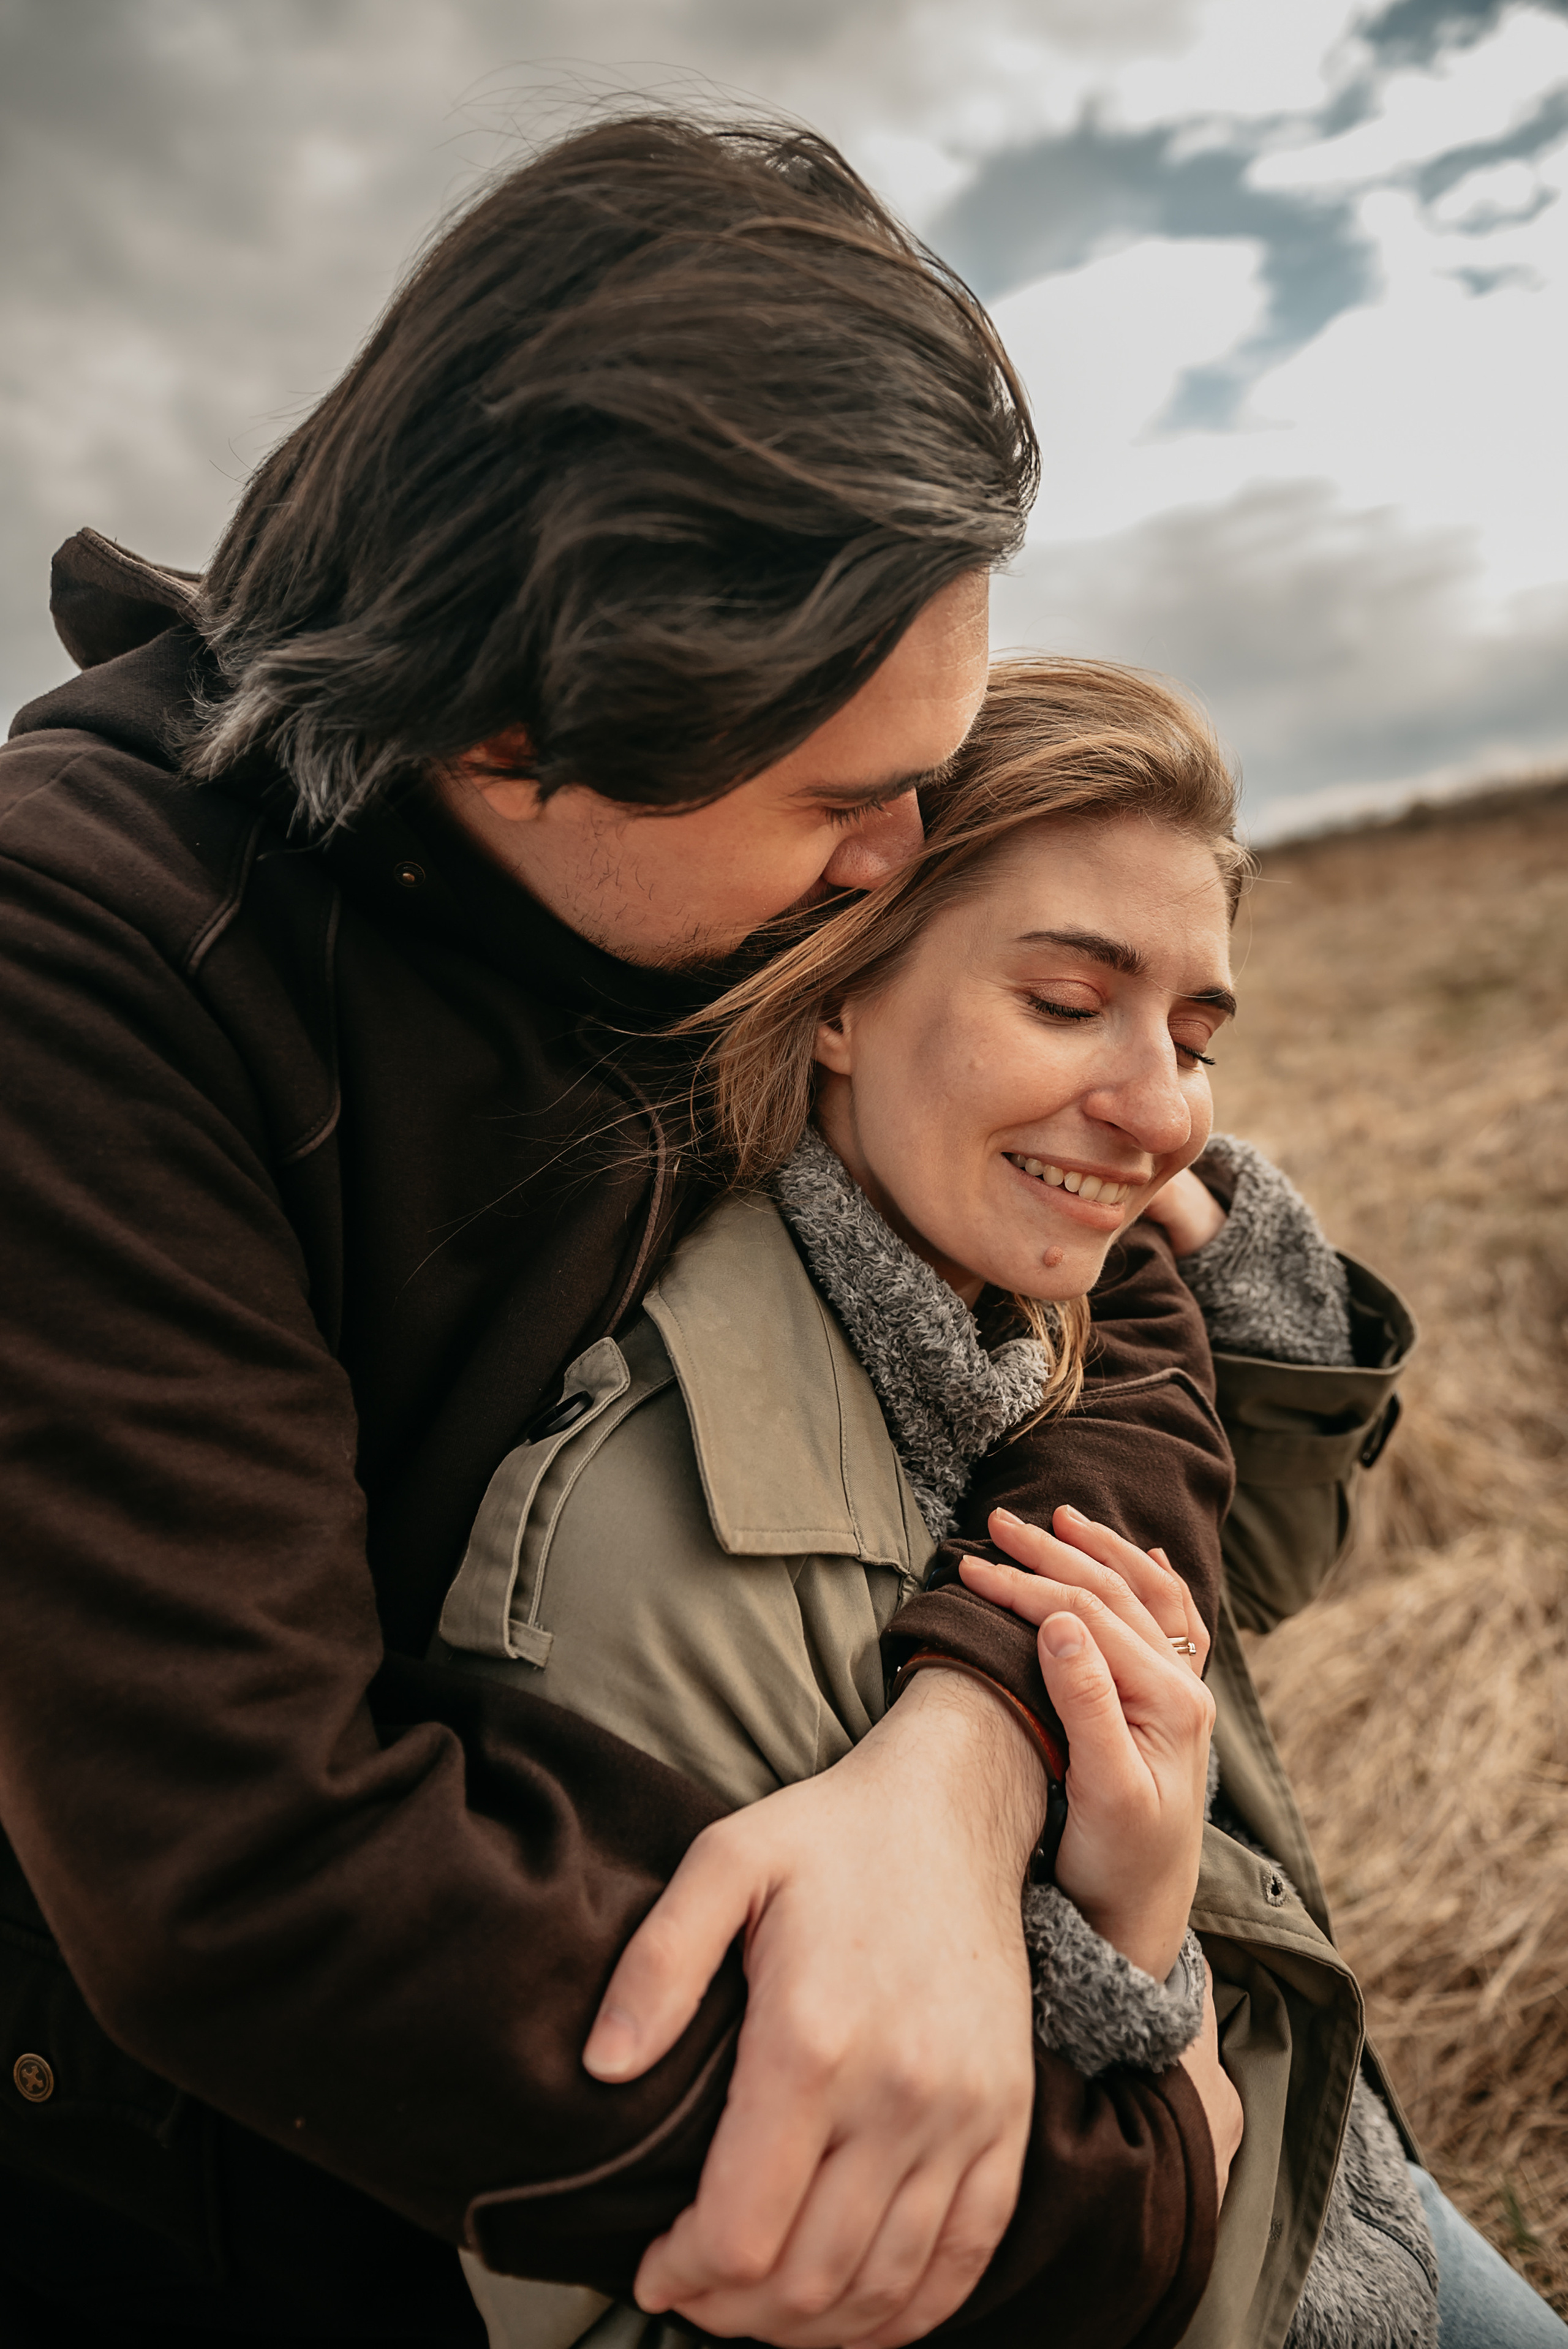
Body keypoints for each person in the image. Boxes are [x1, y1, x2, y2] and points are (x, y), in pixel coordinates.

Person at [0, 113, 1242, 2349]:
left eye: (925, 781)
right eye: (841, 800)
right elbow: (262, 1891)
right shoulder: (81, 978)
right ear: (508, 717)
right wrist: (1117, 2200)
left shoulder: (702, 875)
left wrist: (962, 1758)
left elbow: (1129, 1294)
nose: (896, 864)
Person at [442, 656, 1567, 2349]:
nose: (1169, 1106)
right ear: (835, 992)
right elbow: (668, 2296)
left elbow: (1245, 1571)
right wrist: (1137, 1961)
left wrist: (1225, 1272)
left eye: (1196, 1034)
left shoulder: (1017, 1317)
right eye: (1066, 1002)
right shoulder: (647, 1543)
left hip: (1321, 2182)